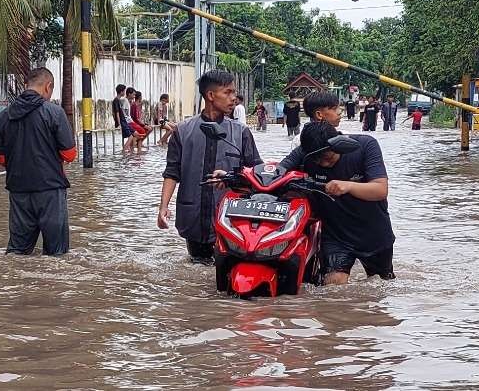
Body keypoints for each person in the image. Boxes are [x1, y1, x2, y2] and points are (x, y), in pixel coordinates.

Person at [158, 70, 261, 264]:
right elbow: (172, 172)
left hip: (231, 220)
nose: (233, 98)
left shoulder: (241, 132)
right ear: (211, 96)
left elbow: (257, 174)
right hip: (193, 217)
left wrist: (233, 178)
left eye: (234, 93)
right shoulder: (183, 131)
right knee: (196, 272)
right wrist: (163, 207)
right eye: (228, 92)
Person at [279, 121, 395, 282]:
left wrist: (348, 186)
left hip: (373, 234)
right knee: (334, 285)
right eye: (317, 161)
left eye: (328, 157)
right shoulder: (306, 152)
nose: (323, 164)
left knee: (381, 283)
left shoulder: (365, 145)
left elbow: (380, 190)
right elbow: (278, 173)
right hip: (335, 235)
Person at [0, 67, 77, 256]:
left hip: (18, 192)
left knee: (17, 252)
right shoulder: (54, 113)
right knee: (57, 255)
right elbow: (70, 154)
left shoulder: (4, 116)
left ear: (26, 86)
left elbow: (2, 160)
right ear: (48, 87)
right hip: (50, 191)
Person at [114, 85, 132, 154]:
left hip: (123, 121)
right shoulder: (116, 100)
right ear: (121, 91)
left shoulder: (119, 100)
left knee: (131, 136)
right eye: (124, 91)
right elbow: (117, 113)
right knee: (130, 137)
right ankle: (123, 151)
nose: (125, 92)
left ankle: (127, 150)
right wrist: (119, 124)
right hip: (122, 121)